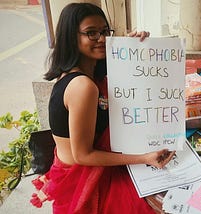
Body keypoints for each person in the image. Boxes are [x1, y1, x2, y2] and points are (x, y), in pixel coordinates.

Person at [30, 3, 175, 213]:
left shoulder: (88, 74)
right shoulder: (83, 86)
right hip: (85, 179)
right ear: (72, 37)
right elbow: (83, 156)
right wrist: (144, 158)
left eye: (105, 31)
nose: (102, 38)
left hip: (86, 170)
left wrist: (131, 50)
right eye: (91, 33)